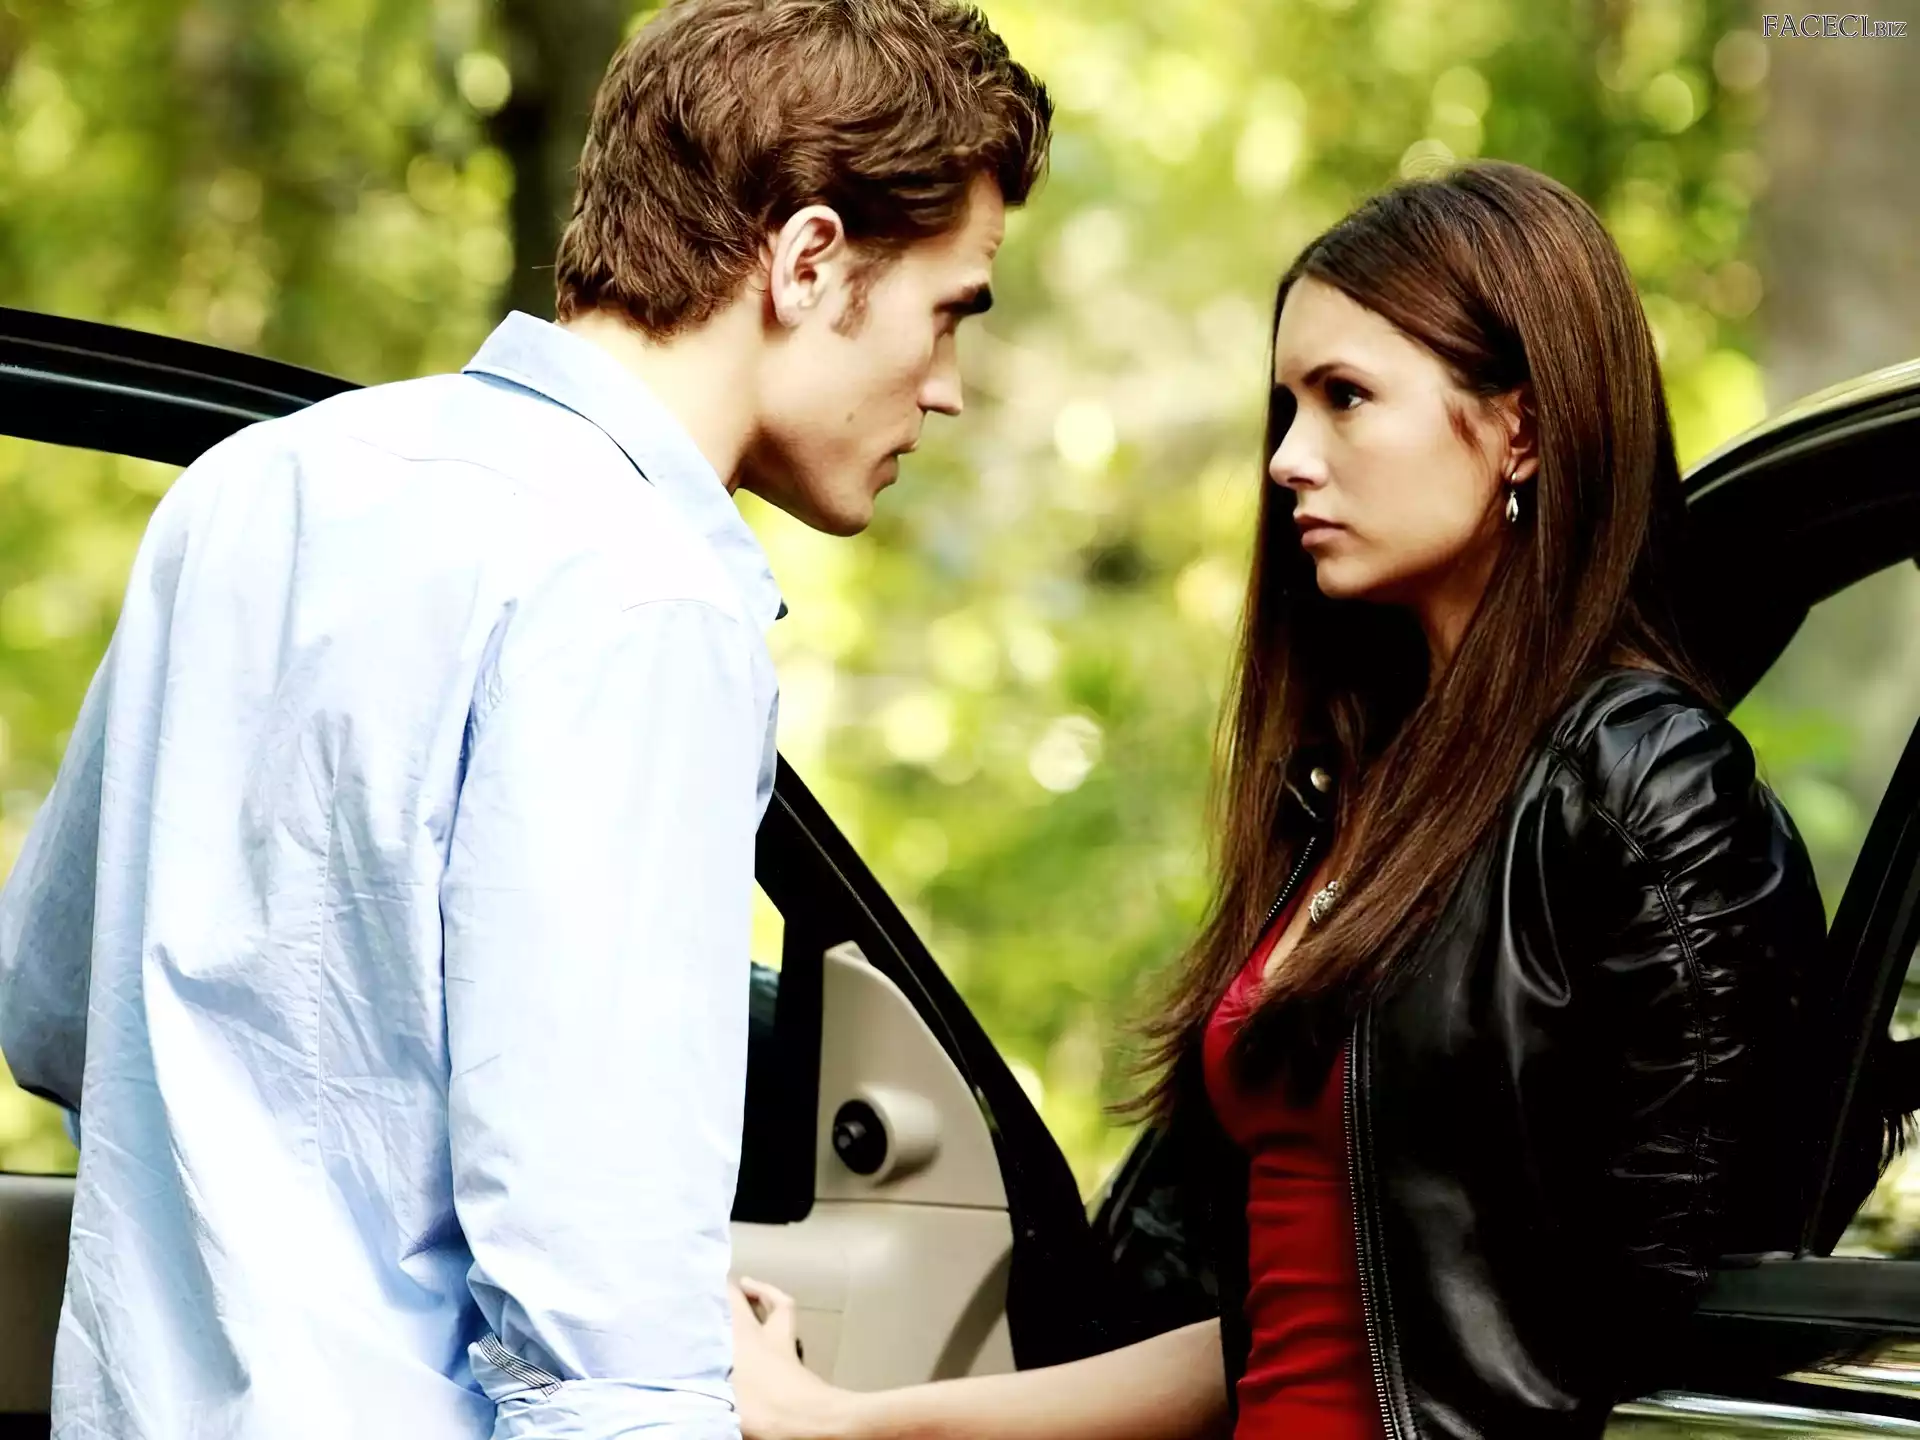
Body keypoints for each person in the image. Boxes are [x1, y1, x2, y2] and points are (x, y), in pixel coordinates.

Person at [0, 2, 1049, 1436]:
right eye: (950, 310)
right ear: (807, 260)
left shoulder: (257, 482)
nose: (947, 389)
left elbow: (54, 1008)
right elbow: (598, 1314)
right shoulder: (641, 596)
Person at [727, 160, 1829, 1440]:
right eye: (1285, 407)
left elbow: (1662, 1337)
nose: (1290, 459)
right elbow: (1285, 1332)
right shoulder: (1362, 800)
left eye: (1345, 397)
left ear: (1521, 428)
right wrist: (849, 1422)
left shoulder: (1636, 785)